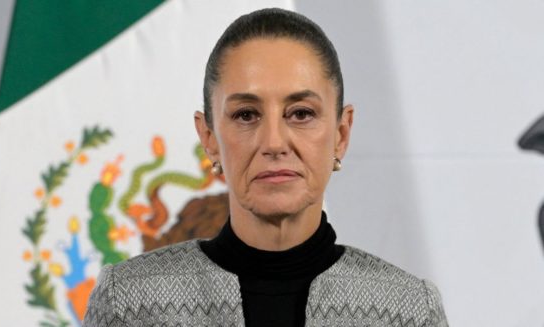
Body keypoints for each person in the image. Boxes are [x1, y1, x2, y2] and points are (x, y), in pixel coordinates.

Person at [84, 8, 448, 327]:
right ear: (209, 137)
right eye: (246, 114)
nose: (274, 142)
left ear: (341, 133)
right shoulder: (129, 305)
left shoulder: (409, 311)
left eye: (301, 113)